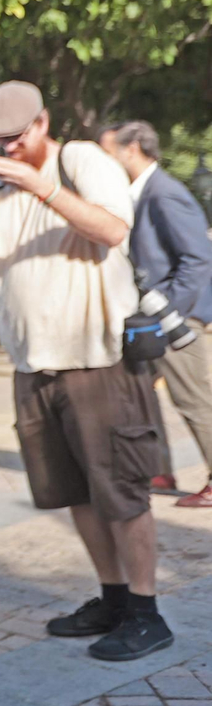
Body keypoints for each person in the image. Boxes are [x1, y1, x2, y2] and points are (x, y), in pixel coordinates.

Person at [0, 81, 170, 661]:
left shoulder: (81, 161)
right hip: (32, 366)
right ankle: (113, 599)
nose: (8, 149)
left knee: (122, 491)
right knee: (73, 492)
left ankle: (148, 612)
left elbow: (112, 230)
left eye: (17, 138)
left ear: (43, 122)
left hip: (97, 361)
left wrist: (41, 186)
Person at [100, 120, 212, 507]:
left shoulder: (164, 193)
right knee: (139, 395)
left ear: (131, 149)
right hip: (149, 321)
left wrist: (170, 311)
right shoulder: (139, 192)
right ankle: (158, 471)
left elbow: (198, 259)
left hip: (176, 320)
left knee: (194, 401)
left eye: (107, 152)